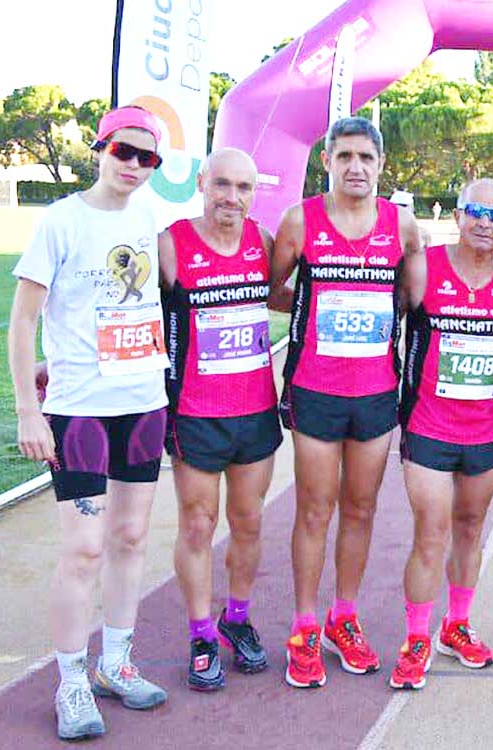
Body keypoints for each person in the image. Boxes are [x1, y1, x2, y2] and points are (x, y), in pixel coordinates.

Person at [9, 106, 170, 740]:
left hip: (143, 405)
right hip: (78, 412)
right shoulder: (61, 220)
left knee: (131, 539)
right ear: (99, 149)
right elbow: (23, 322)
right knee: (83, 548)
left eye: (147, 158)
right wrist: (29, 408)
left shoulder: (152, 217)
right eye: (123, 151)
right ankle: (71, 681)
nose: (133, 165)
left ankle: (116, 664)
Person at [270, 116, 422, 689]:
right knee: (314, 508)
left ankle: (344, 616)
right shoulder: (299, 222)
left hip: (377, 392)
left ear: (381, 165)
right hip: (315, 388)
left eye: (366, 157)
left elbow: (410, 297)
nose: (356, 167)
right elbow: (272, 286)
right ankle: (305, 626)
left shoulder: (402, 226)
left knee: (360, 509)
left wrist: (364, 304)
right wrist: (324, 302)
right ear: (327, 162)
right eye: (344, 157)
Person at [387, 178, 493, 690]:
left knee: (470, 529)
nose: (484, 223)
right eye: (475, 212)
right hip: (428, 427)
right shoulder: (423, 268)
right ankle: (416, 637)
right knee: (432, 533)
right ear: (458, 216)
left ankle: (456, 626)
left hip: (487, 430)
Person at [160, 148, 280, 692]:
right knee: (198, 525)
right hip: (196, 412)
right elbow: (129, 307)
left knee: (250, 522)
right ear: (203, 183)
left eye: (244, 188)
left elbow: (288, 297)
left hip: (255, 409)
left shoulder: (262, 241)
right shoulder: (172, 243)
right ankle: (202, 632)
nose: (233, 197)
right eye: (223, 185)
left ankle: (237, 617)